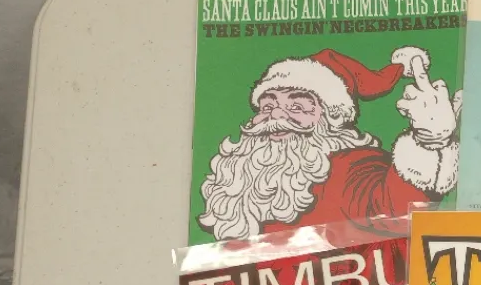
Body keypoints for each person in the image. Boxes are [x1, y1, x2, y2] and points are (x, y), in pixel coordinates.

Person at [197, 47, 460, 240]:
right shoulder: (238, 176)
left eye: (297, 106)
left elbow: (395, 211)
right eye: (267, 106)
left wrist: (429, 140)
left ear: (331, 119)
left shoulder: (352, 165)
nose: (276, 115)